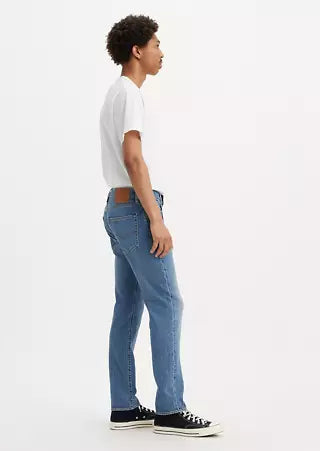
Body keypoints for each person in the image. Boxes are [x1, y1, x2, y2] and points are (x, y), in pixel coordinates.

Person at [99, 14, 223, 437]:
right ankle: (171, 409)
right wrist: (156, 218)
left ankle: (124, 406)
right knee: (168, 303)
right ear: (137, 51)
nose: (161, 52)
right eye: (155, 44)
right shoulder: (130, 94)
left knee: (128, 306)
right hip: (136, 211)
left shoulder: (115, 94)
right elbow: (133, 158)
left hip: (117, 209)